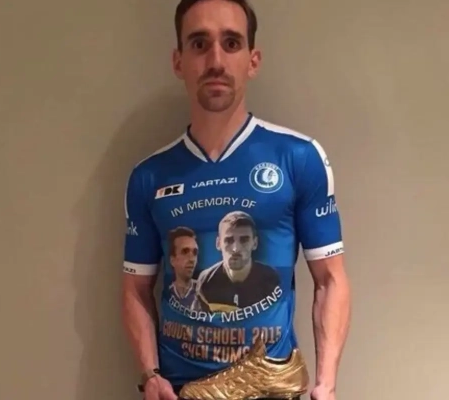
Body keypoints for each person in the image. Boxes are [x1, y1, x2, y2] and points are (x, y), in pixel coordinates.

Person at [121, 0, 351, 399]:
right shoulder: (149, 176)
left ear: (253, 60)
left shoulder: (298, 158)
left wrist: (326, 384)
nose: (215, 60)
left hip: (272, 387)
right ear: (178, 61)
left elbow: (330, 280)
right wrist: (150, 374)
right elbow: (135, 289)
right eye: (199, 44)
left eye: (231, 43)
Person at [194, 211, 280, 312]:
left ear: (255, 243)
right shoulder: (206, 281)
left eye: (244, 240)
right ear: (218, 243)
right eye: (229, 240)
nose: (236, 249)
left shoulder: (270, 280)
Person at [167, 226, 199, 308]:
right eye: (185, 252)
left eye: (195, 253)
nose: (192, 259)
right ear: (172, 260)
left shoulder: (205, 294)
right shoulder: (166, 294)